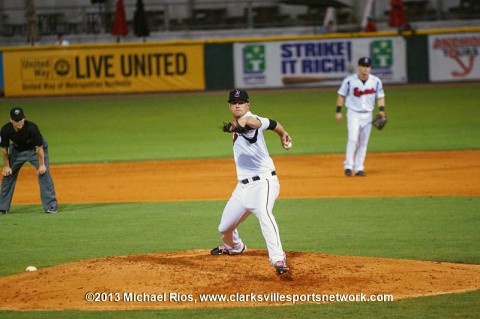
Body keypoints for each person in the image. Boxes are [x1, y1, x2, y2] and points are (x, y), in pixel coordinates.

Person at [211, 89, 292, 276]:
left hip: (264, 182)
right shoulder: (242, 121)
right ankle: (235, 247)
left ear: (248, 105)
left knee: (264, 214)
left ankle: (278, 258)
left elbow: (254, 123)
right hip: (243, 187)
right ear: (229, 106)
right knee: (225, 228)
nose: (237, 105)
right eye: (234, 102)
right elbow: (274, 124)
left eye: (241, 102)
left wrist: (244, 122)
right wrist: (282, 134)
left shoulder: (252, 119)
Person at [0, 107, 58, 214]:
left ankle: (51, 206)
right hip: (17, 151)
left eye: (21, 119)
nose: (20, 122)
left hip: (35, 150)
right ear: (11, 120)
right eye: (17, 120)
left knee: (44, 173)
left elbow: (39, 149)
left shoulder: (32, 128)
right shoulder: (5, 130)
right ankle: (2, 207)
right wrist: (7, 166)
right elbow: (4, 150)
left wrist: (41, 165)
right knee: (7, 175)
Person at [335, 57, 386, 177]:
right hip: (353, 113)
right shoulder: (349, 81)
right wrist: (338, 111)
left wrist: (382, 110)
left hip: (368, 115)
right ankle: (348, 166)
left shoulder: (376, 81)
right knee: (352, 139)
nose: (365, 69)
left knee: (363, 142)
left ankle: (359, 168)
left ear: (370, 68)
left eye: (367, 67)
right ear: (358, 67)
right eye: (363, 66)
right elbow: (341, 95)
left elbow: (380, 96)